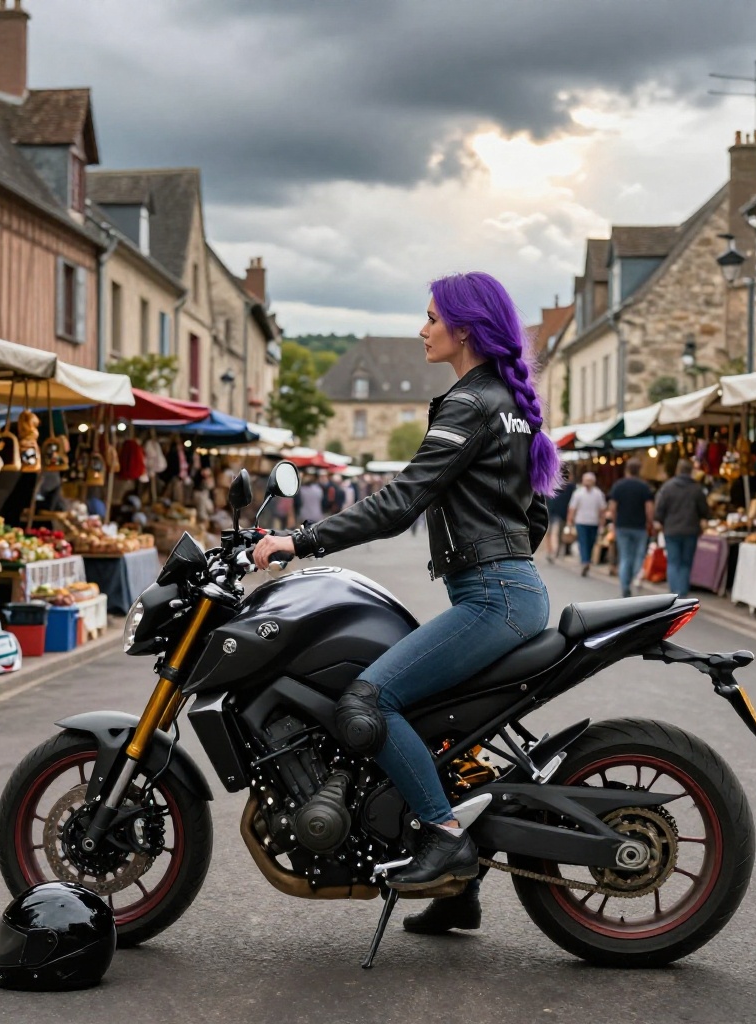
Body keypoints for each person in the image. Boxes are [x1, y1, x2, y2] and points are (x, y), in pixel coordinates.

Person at [254, 271, 557, 929]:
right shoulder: (506, 400)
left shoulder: (468, 404)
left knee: (366, 702)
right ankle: (457, 893)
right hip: (512, 590)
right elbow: (538, 507)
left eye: (429, 318)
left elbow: (401, 501)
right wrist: (509, 557)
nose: (421, 330)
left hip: (491, 599)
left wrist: (298, 540)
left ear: (464, 329)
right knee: (428, 722)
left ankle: (445, 840)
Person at [653, 457, 709, 598]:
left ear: (678, 470)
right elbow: (704, 511)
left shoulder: (667, 487)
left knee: (673, 561)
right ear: (691, 471)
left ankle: (673, 592)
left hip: (671, 530)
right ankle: (682, 593)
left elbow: (659, 510)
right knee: (686, 563)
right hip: (690, 530)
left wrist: (660, 521)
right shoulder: (696, 489)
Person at [608, 458, 655, 598]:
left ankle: (625, 586)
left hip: (622, 526)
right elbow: (649, 509)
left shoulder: (618, 486)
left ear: (627, 470)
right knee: (639, 555)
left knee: (625, 557)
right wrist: (650, 523)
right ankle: (635, 578)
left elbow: (612, 508)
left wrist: (615, 524)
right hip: (640, 527)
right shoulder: (644, 487)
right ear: (639, 471)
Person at [566, 472, 607, 576]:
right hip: (581, 522)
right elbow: (572, 508)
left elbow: (602, 510)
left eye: (589, 480)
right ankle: (585, 562)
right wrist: (570, 520)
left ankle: (587, 560)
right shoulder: (578, 493)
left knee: (591, 542)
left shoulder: (598, 494)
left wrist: (602, 523)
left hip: (593, 522)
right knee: (583, 542)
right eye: (586, 480)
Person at [544, 468, 575, 563]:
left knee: (557, 534)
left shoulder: (570, 487)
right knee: (552, 533)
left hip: (560, 513)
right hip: (551, 512)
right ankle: (552, 552)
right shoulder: (551, 485)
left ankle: (555, 552)